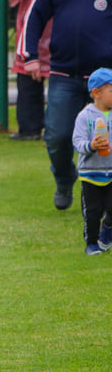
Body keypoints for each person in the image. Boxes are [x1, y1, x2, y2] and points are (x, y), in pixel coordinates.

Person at [21, 0, 112, 211]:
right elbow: (33, 17)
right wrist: (31, 57)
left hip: (105, 81)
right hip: (63, 75)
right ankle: (64, 179)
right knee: (58, 137)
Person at [4, 0, 77, 141]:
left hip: (36, 25)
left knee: (28, 77)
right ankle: (72, 130)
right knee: (68, 81)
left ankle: (30, 129)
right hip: (68, 27)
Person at [72, 67, 112, 255]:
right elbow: (77, 142)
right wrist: (91, 145)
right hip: (91, 173)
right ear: (96, 93)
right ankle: (92, 243)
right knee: (93, 211)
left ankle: (107, 231)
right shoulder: (85, 116)